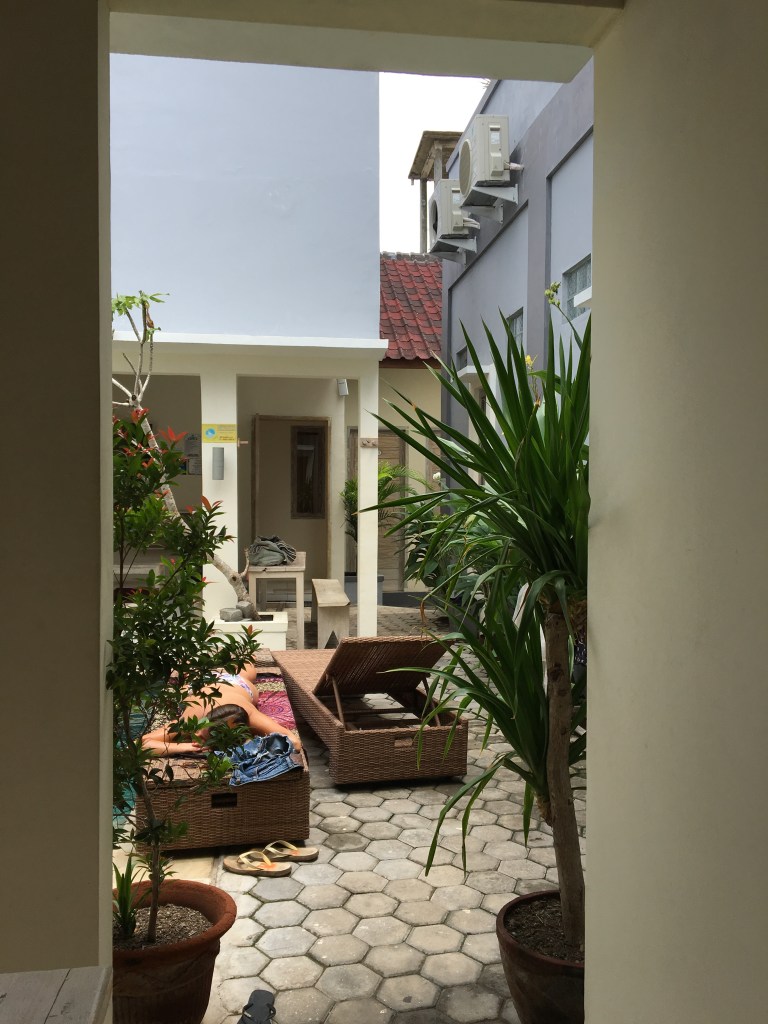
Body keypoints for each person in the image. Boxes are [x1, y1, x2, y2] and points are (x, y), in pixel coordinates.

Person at [141, 662, 302, 755]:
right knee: (191, 671)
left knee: (248, 669)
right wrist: (185, 746)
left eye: (203, 737)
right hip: (200, 685)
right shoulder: (190, 722)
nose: (196, 735)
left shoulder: (248, 716)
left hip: (236, 683)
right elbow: (139, 745)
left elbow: (294, 743)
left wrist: (249, 745)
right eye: (201, 730)